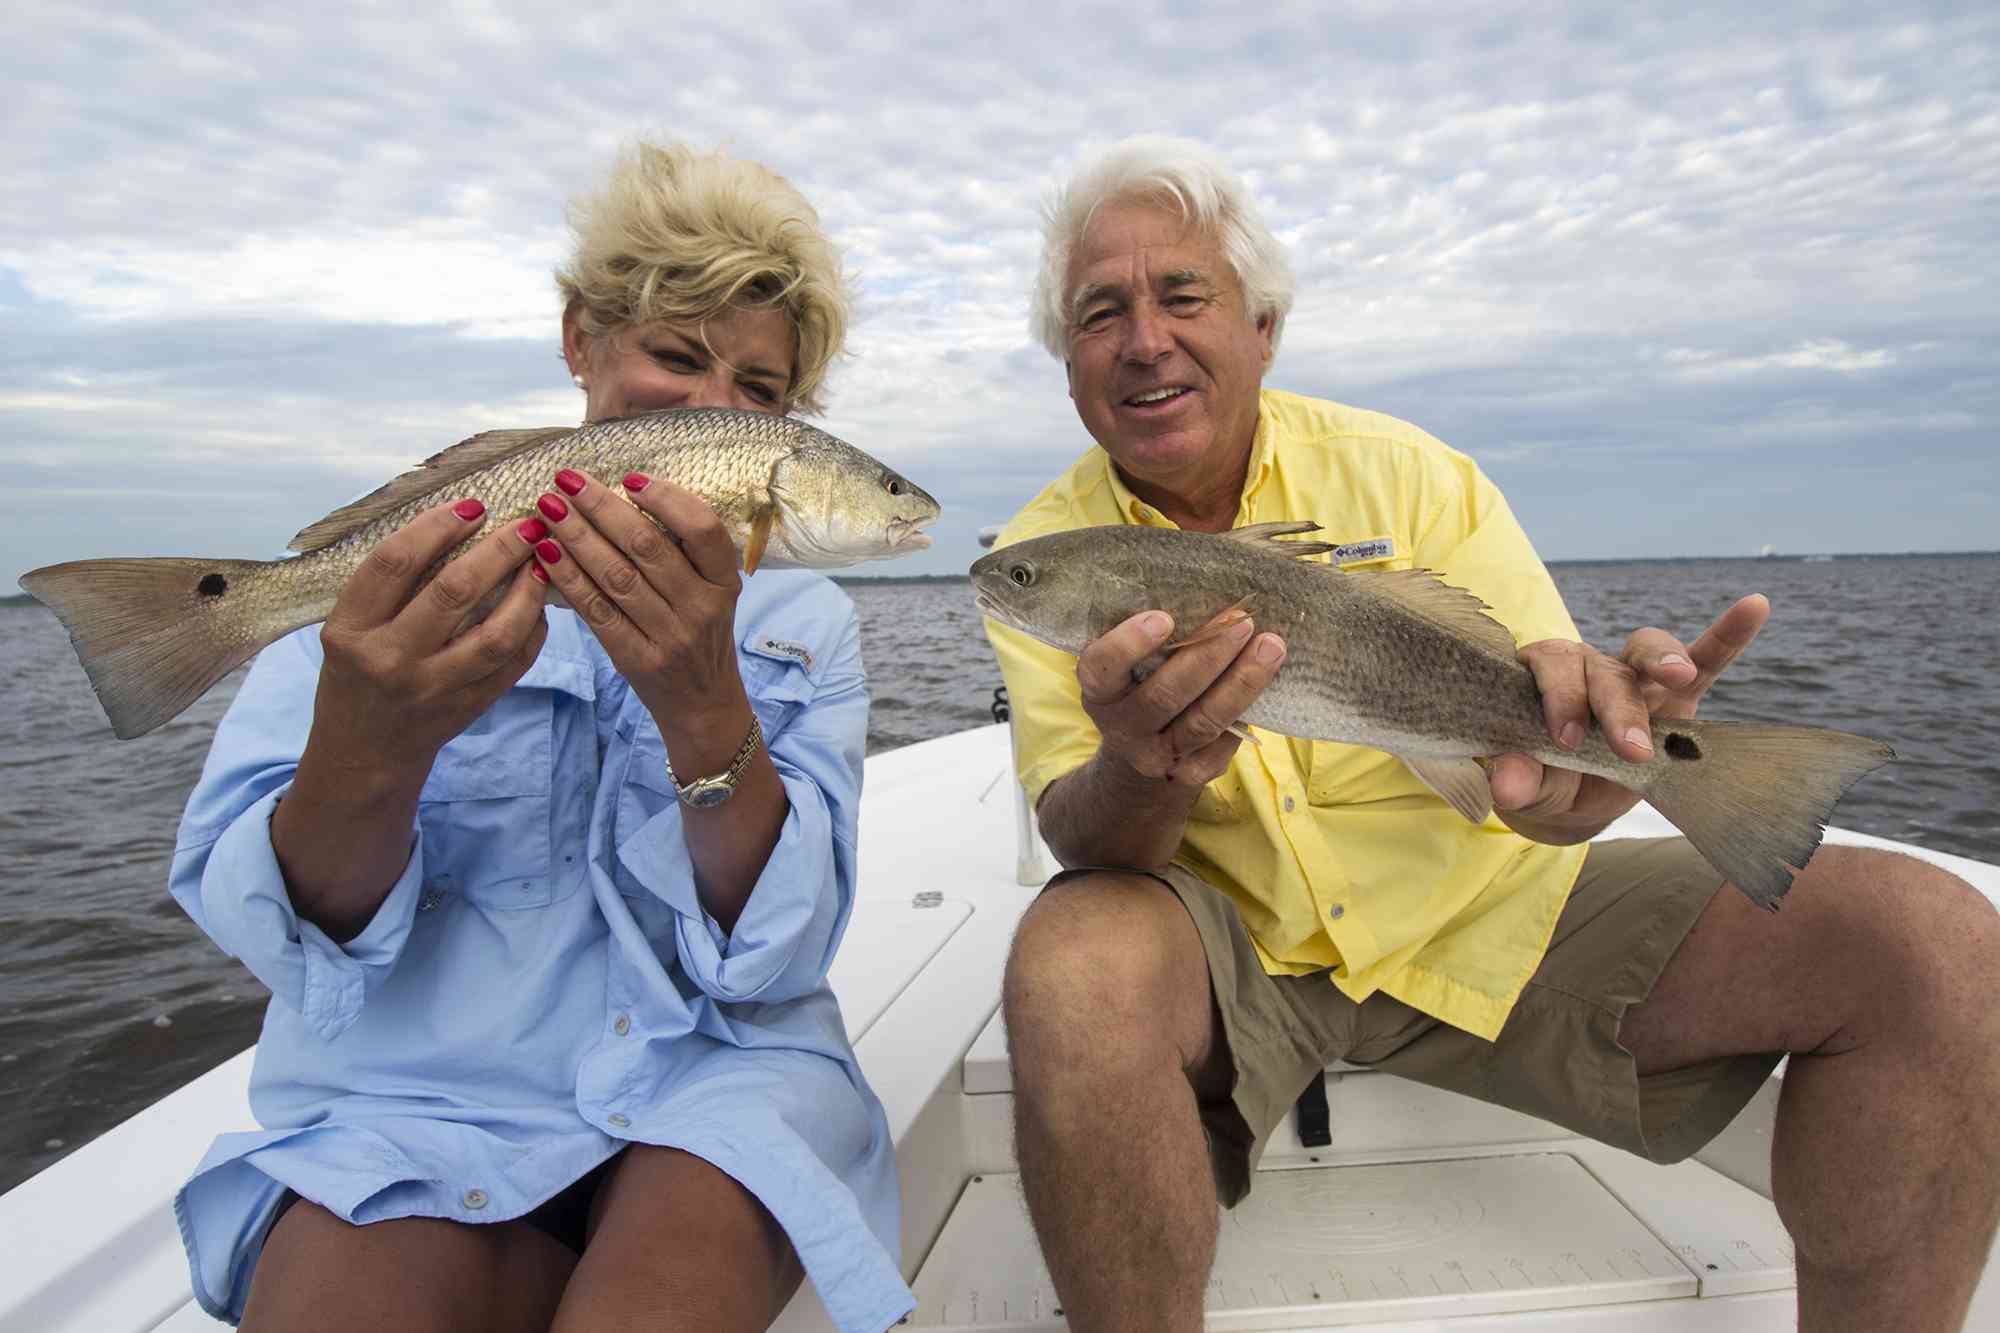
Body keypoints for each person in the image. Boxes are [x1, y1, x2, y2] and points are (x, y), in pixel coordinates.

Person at [985, 136, 2000, 1333]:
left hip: (1485, 916)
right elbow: (1084, 837)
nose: (1143, 337)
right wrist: (1140, 764)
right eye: (1100, 312)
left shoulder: (1412, 476)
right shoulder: (1045, 556)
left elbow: (1538, 751)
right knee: (1068, 965)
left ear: (1262, 328)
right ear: (1068, 367)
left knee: (1932, 944)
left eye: (1183, 296)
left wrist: (1591, 775)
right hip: (1225, 958)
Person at [169, 140, 914, 1333]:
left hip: (716, 1078)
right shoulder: (388, 596)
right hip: (410, 1098)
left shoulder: (802, 622)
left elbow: (777, 958)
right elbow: (283, 935)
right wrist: (374, 737)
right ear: (581, 341)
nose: (710, 407)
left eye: (760, 392)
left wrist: (701, 703)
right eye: (674, 353)